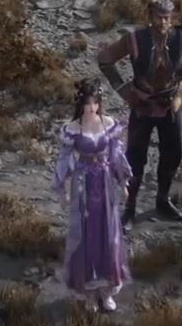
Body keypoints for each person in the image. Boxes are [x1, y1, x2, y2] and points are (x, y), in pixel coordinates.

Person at [95, 0, 182, 224]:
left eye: (167, 17)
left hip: (170, 104)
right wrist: (125, 91)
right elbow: (105, 59)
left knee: (173, 154)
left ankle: (163, 200)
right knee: (135, 159)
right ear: (150, 17)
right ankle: (130, 208)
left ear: (172, 18)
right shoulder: (135, 39)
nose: (163, 22)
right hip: (142, 106)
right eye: (158, 17)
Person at [51, 79, 133, 312]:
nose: (91, 108)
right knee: (85, 234)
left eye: (95, 103)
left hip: (104, 182)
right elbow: (65, 159)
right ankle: (87, 291)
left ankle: (106, 291)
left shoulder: (108, 123)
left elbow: (116, 154)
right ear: (81, 104)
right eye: (87, 104)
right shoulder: (73, 128)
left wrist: (123, 182)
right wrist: (62, 189)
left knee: (108, 232)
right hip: (83, 184)